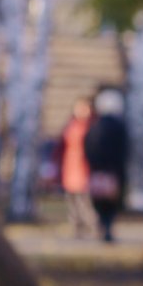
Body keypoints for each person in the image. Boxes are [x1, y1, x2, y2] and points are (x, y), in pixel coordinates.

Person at [83, 88, 129, 242]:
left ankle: (103, 227)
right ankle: (107, 228)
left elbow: (88, 148)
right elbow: (123, 150)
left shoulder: (95, 125)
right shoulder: (118, 126)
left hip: (97, 171)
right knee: (111, 203)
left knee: (100, 202)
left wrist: (94, 166)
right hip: (113, 171)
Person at [57, 96, 96, 238]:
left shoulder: (91, 127)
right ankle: (77, 227)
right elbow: (61, 148)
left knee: (85, 201)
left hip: (84, 167)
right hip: (70, 167)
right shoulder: (70, 126)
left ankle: (92, 226)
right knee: (72, 201)